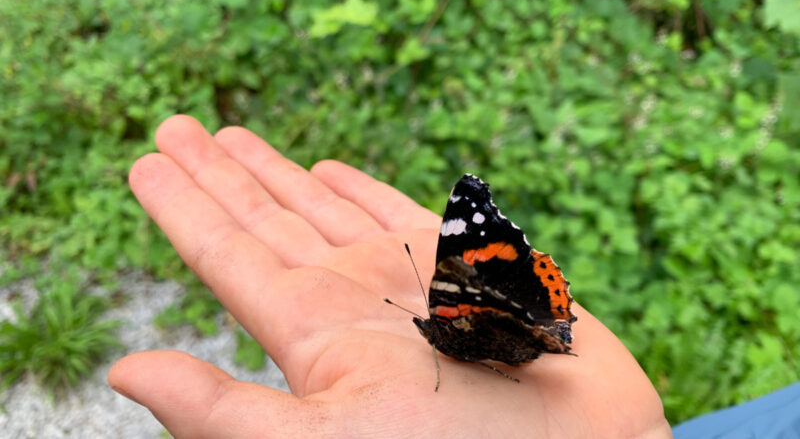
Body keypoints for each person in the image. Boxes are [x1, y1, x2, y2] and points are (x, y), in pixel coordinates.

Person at [108, 115, 673, 438]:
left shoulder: (450, 319)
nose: (426, 331)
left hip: (527, 333)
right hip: (529, 321)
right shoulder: (451, 314)